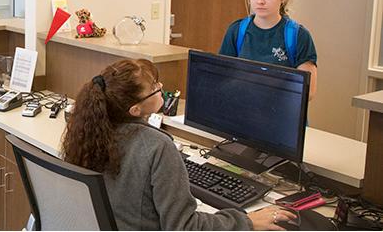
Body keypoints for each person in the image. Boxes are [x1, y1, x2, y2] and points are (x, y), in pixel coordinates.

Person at [61, 59, 297, 230]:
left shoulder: (89, 133)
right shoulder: (157, 146)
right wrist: (245, 221)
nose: (161, 87)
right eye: (154, 88)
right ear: (135, 109)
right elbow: (184, 227)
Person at [219, 0, 318, 99]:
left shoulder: (298, 35)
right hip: (243, 109)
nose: (260, 1)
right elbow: (221, 76)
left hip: (281, 113)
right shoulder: (237, 30)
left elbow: (308, 92)